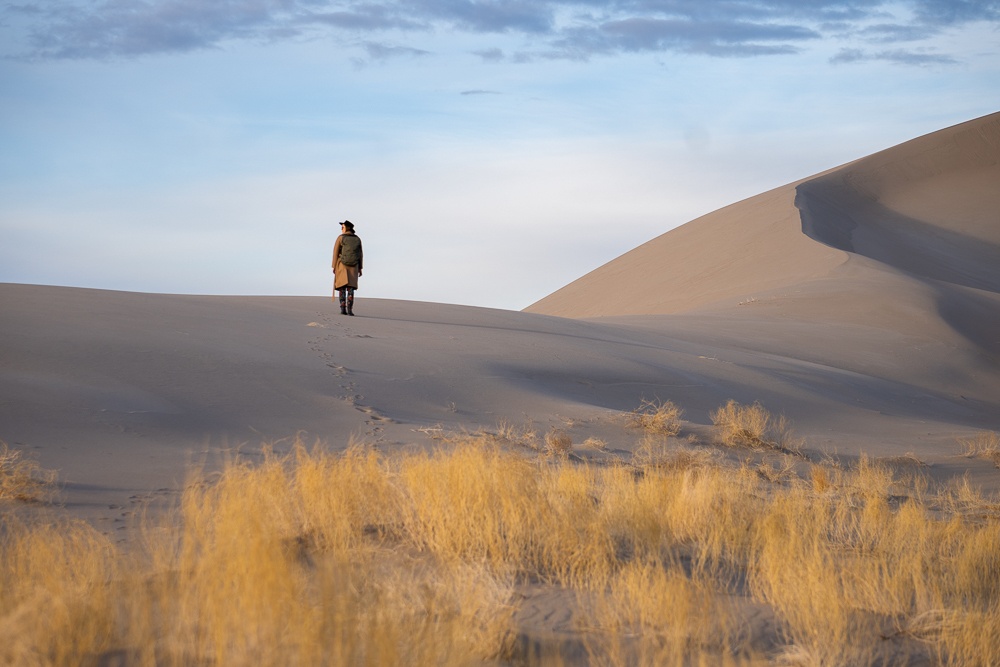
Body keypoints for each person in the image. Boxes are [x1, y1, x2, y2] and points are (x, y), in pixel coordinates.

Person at [332, 220, 363, 315]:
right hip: (354, 266)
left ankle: (343, 308)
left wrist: (334, 266)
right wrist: (360, 268)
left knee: (342, 288)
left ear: (347, 228)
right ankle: (350, 309)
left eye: (342, 227)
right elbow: (361, 254)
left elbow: (335, 253)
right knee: (350, 289)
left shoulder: (340, 238)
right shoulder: (357, 239)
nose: (341, 229)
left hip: (342, 265)